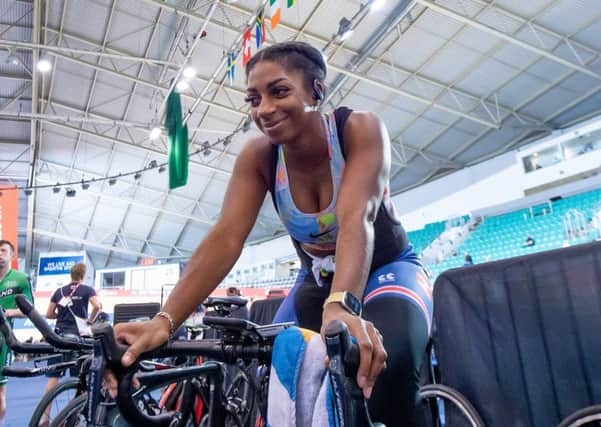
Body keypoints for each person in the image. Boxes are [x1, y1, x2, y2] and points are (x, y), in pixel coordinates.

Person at [111, 41, 432, 426]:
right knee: (269, 371)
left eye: (279, 91)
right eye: (253, 98)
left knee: (384, 363)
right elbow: (227, 237)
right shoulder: (259, 156)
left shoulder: (358, 129)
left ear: (317, 91)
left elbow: (355, 219)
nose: (263, 109)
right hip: (315, 281)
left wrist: (342, 304)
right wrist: (164, 321)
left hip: (385, 269)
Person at [39, 262, 101, 427]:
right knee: (80, 378)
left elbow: (48, 313)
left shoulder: (59, 291)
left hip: (59, 337)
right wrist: (90, 321)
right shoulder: (87, 290)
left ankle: (45, 418)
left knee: (53, 378)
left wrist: (60, 315)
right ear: (83, 275)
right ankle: (76, 416)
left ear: (71, 275)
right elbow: (97, 306)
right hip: (78, 339)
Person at [0, 240, 33, 422]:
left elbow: (29, 309)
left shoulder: (20, 279)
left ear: (11, 255)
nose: (0, 254)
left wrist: (6, 312)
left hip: (2, 339)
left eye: (3, 251)